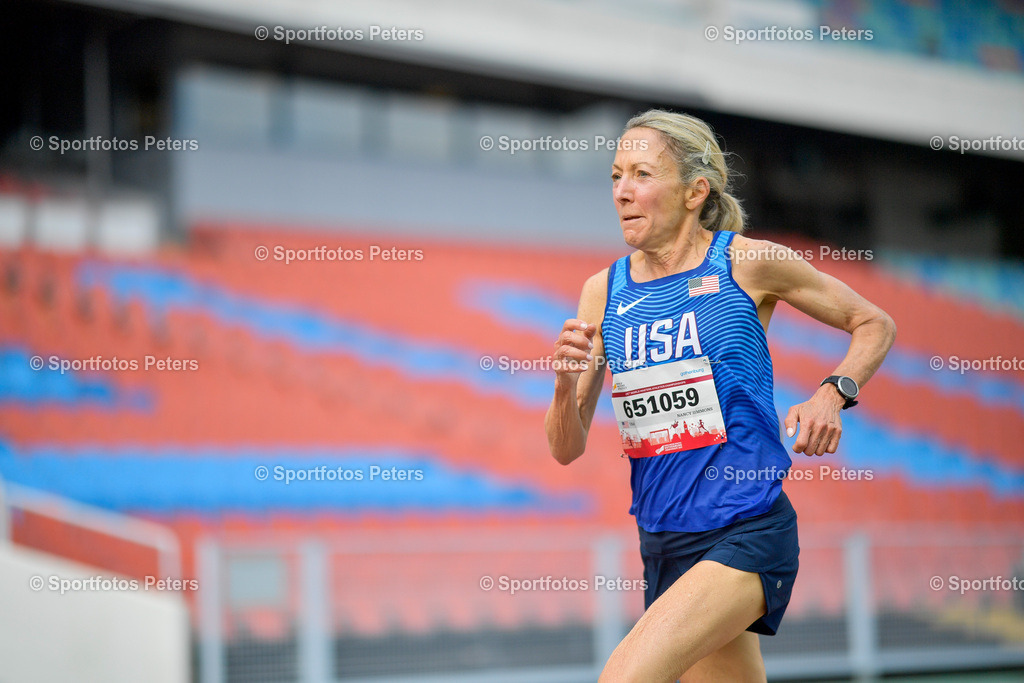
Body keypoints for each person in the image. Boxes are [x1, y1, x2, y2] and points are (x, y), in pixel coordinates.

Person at [544, 109, 896, 682]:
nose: (622, 192)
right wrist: (565, 384)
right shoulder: (602, 291)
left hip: (746, 528)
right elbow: (565, 448)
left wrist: (833, 393)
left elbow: (873, 322)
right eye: (615, 176)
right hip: (663, 543)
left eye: (642, 174)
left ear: (695, 191)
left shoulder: (748, 262)